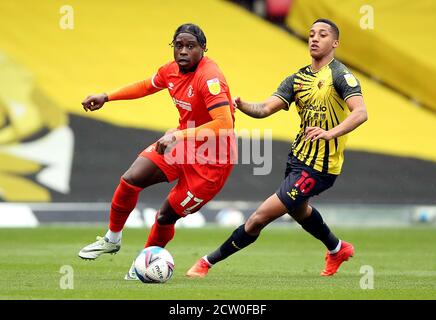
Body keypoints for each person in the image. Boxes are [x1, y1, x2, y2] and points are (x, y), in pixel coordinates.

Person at [186, 18, 368, 278]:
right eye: (312, 34)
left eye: (323, 35)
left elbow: (360, 113)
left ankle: (205, 263)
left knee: (259, 218)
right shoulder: (298, 78)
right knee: (298, 210)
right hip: (298, 159)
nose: (315, 38)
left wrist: (330, 133)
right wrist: (243, 104)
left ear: (335, 42)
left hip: (320, 167)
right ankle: (337, 248)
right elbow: (265, 109)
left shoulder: (341, 76)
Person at [78, 23, 236, 280]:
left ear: (203, 49)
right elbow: (145, 86)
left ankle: (142, 265)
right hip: (183, 145)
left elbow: (224, 124)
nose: (183, 51)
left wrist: (177, 135)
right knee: (131, 179)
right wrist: (107, 96)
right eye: (178, 45)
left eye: (190, 46)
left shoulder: (210, 78)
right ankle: (112, 238)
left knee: (164, 216)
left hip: (212, 161)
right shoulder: (171, 70)